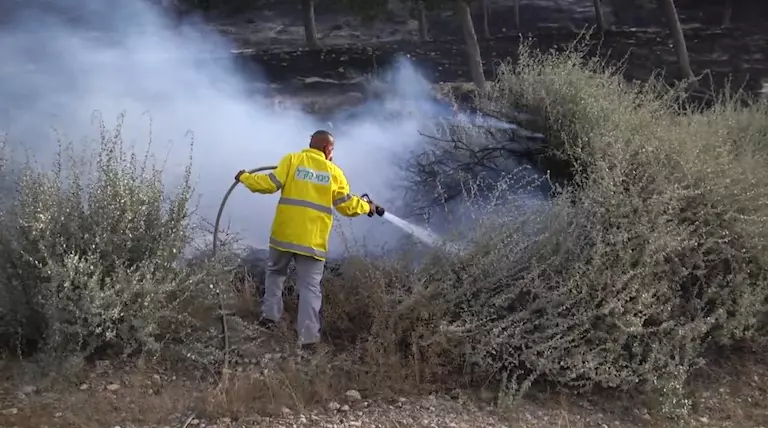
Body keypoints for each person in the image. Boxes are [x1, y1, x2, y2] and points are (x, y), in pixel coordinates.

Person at [234, 130, 385, 353]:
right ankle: (308, 340)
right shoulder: (334, 172)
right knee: (310, 289)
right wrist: (368, 207)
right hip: (312, 242)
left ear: (310, 144)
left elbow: (266, 184)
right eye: (331, 149)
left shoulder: (292, 160)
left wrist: (245, 177)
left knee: (275, 273)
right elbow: (346, 205)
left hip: (283, 237)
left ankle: (270, 318)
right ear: (327, 149)